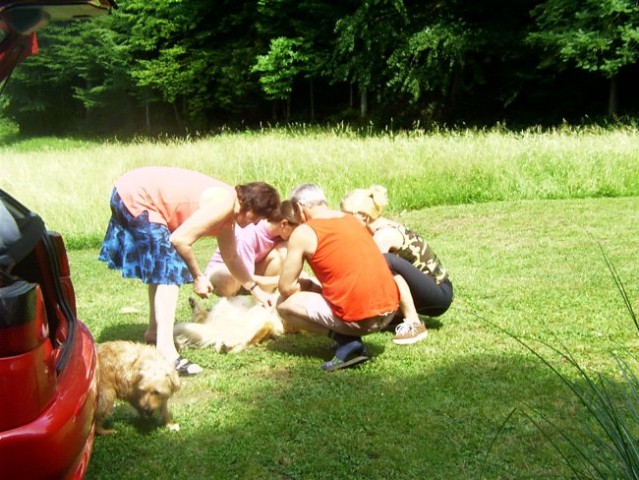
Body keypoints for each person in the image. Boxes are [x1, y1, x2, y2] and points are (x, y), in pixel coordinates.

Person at [98, 166, 280, 376]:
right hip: (135, 196)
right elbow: (180, 239)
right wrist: (198, 276)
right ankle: (165, 350)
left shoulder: (228, 212)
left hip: (130, 190)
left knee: (163, 265)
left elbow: (231, 257)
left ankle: (154, 332)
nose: (254, 224)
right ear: (250, 206)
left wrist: (256, 290)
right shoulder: (224, 204)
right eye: (256, 218)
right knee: (170, 268)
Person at [276, 183, 399, 371]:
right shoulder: (352, 220)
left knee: (284, 305)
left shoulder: (304, 232)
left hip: (364, 319)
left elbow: (286, 287)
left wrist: (309, 285)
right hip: (390, 311)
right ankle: (348, 336)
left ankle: (346, 341)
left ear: (299, 208)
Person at [340, 185, 453, 345]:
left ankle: (413, 323)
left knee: (384, 262)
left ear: (363, 216)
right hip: (429, 289)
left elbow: (366, 271)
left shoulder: (384, 234)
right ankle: (393, 314)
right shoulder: (375, 228)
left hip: (439, 294)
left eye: (347, 218)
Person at [204, 200, 297, 296]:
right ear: (284, 224)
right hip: (227, 270)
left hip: (247, 272)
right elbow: (244, 276)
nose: (296, 234)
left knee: (283, 251)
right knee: (228, 277)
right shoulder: (250, 234)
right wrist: (282, 280)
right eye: (296, 229)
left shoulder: (281, 236)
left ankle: (263, 300)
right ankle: (234, 299)